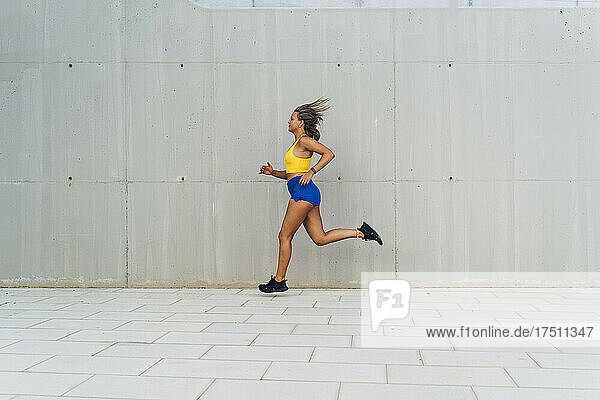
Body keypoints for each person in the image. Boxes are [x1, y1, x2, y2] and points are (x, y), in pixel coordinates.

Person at [258, 97, 382, 293]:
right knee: (320, 238)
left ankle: (279, 281)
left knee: (284, 235)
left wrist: (312, 171)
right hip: (306, 192)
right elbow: (292, 174)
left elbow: (329, 154)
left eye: (291, 118)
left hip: (303, 193)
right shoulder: (297, 144)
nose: (288, 121)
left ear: (300, 122)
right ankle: (362, 232)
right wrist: (273, 172)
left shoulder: (305, 141)